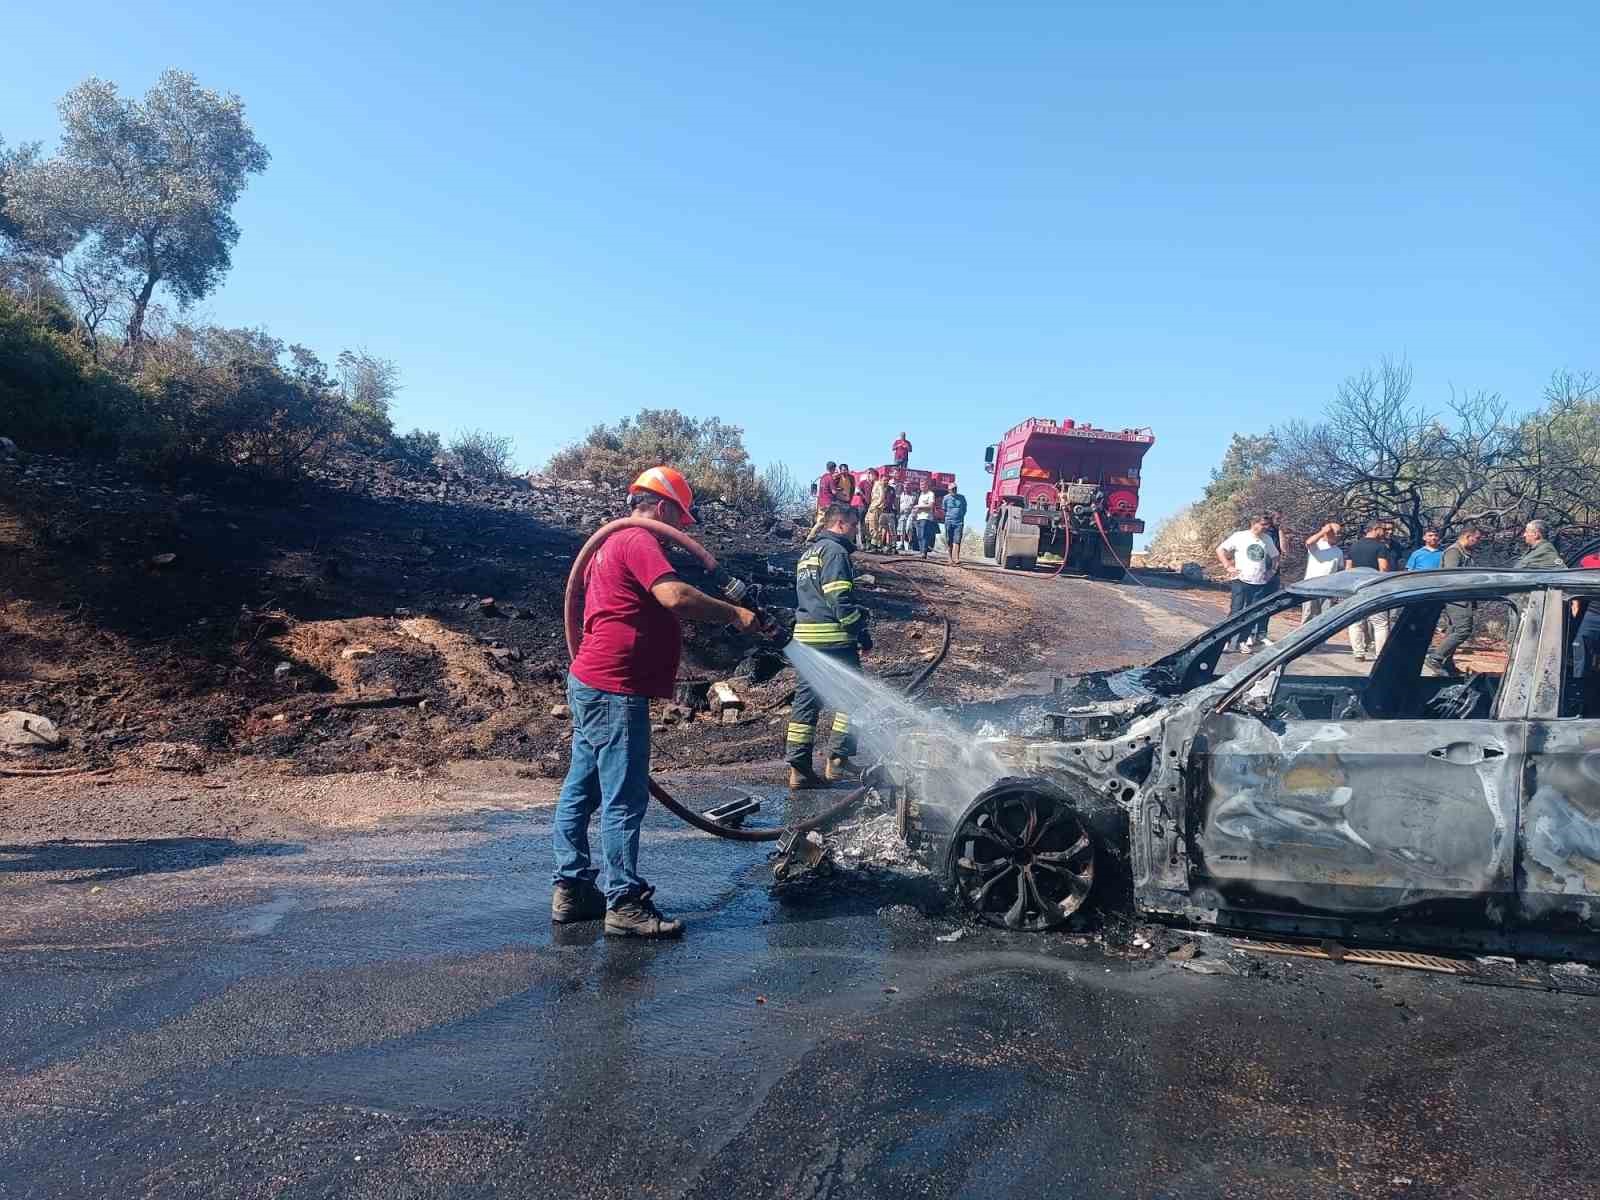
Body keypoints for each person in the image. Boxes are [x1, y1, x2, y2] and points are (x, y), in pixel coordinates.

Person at [553, 467, 762, 939]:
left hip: (592, 680)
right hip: (615, 686)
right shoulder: (639, 541)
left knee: (581, 790)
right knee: (623, 798)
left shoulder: (609, 543)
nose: (678, 533)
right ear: (663, 507)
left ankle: (571, 890)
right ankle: (623, 901)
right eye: (679, 521)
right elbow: (675, 597)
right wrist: (734, 613)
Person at [787, 503, 872, 788]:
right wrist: (859, 630)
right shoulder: (835, 552)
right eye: (853, 527)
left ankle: (798, 769)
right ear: (840, 524)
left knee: (806, 704)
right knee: (854, 697)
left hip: (805, 639)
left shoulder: (808, 553)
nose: (855, 533)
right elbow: (839, 599)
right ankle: (837, 759)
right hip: (833, 639)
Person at [1425, 526, 1484, 676]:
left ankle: (1447, 664)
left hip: (1463, 598)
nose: (1478, 542)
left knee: (1453, 631)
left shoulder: (1465, 552)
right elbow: (1451, 576)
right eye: (1476, 538)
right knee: (1464, 630)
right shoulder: (1454, 552)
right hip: (1457, 598)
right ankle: (1435, 658)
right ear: (1467, 536)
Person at [1217, 514, 1280, 652]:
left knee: (1252, 613)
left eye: (1267, 525)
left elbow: (1275, 556)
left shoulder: (1267, 539)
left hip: (1259, 582)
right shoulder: (1240, 536)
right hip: (1240, 579)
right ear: (1254, 523)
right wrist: (1228, 566)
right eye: (1263, 525)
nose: (1266, 528)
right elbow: (1220, 550)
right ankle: (1225, 641)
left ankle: (1242, 641)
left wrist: (1272, 571)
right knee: (1236, 611)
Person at [1346, 521, 1395, 661]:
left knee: (1356, 622)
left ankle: (1358, 653)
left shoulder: (1354, 546)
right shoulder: (1380, 546)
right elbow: (1383, 568)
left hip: (1356, 587)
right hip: (1374, 588)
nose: (1385, 531)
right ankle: (1380, 655)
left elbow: (1348, 569)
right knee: (1380, 624)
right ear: (1375, 529)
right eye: (1382, 529)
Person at [1300, 521, 1344, 624]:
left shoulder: (1338, 551)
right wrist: (1323, 531)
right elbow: (1309, 542)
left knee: (1324, 618)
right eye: (1336, 533)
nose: (1338, 536)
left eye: (1339, 533)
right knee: (1308, 614)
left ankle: (1321, 640)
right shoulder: (1317, 546)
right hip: (1311, 587)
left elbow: (1340, 570)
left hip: (1328, 589)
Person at [806, 461, 837, 540]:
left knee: (822, 520)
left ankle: (820, 536)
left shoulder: (823, 477)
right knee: (825, 521)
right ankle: (811, 536)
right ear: (833, 469)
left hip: (821, 502)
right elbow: (834, 491)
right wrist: (840, 491)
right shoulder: (830, 478)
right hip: (828, 503)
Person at [942, 483, 968, 566]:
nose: (954, 490)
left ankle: (956, 558)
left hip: (959, 522)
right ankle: (949, 558)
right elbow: (944, 509)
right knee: (949, 539)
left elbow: (964, 509)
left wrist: (960, 516)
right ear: (949, 490)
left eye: (955, 488)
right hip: (949, 521)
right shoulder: (946, 498)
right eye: (952, 489)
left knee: (957, 540)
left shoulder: (962, 498)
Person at [914, 484, 938, 559]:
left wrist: (918, 507)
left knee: (924, 535)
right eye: (921, 486)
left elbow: (930, 505)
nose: (922, 487)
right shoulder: (920, 495)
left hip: (926, 517)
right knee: (919, 535)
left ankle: (924, 553)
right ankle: (921, 552)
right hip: (918, 517)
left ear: (927, 486)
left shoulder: (930, 494)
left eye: (924, 486)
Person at [897, 486, 917, 552]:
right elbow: (898, 503)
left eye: (908, 487)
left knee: (909, 528)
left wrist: (914, 513)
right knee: (901, 529)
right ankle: (902, 544)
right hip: (902, 513)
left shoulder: (914, 495)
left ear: (910, 488)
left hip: (910, 513)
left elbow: (916, 505)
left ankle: (910, 543)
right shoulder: (901, 495)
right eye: (905, 487)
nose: (906, 488)